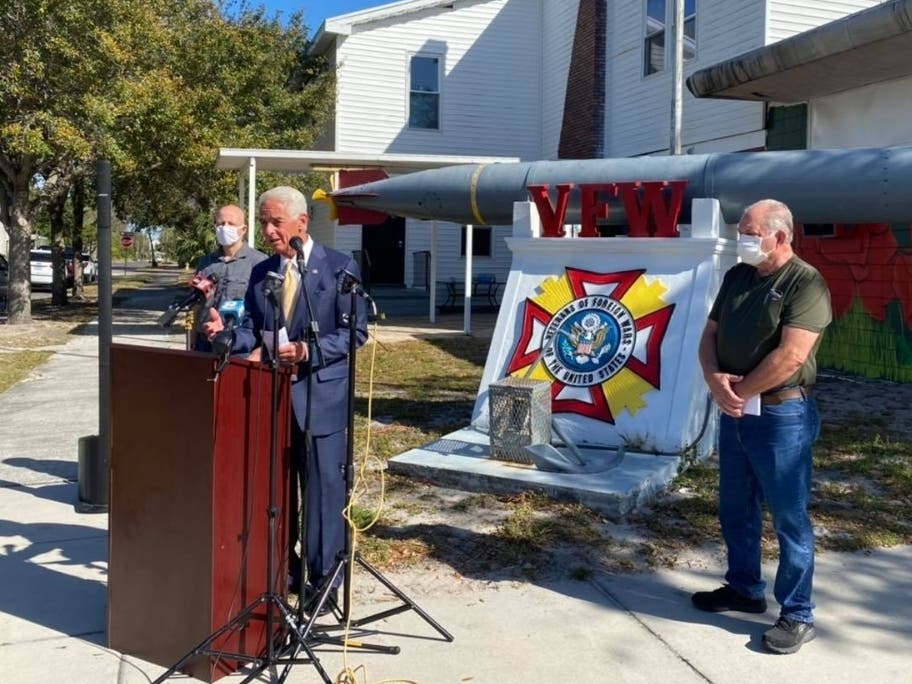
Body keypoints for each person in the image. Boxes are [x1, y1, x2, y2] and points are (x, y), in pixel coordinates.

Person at [203, 186, 368, 605]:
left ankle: (324, 582)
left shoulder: (339, 267)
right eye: (264, 222)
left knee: (322, 492)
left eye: (276, 222)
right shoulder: (263, 273)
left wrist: (310, 351)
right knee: (275, 493)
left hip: (321, 400)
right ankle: (283, 573)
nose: (269, 231)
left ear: (301, 222)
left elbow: (354, 333)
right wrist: (226, 335)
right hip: (272, 401)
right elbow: (254, 329)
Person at [693, 199, 832, 655]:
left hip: (780, 416)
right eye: (741, 233)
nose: (742, 241)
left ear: (781, 236)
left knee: (789, 516)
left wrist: (738, 392)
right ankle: (744, 588)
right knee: (736, 507)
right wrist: (714, 378)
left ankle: (798, 613)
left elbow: (791, 356)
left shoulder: (806, 283)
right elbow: (710, 335)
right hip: (737, 410)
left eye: (751, 234)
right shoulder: (738, 276)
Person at [191, 204, 267, 351]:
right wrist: (193, 342)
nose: (225, 227)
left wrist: (261, 350)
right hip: (204, 344)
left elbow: (265, 312)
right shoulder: (205, 262)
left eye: (231, 223)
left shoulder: (259, 263)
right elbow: (196, 307)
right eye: (220, 223)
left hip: (238, 345)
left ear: (243, 230)